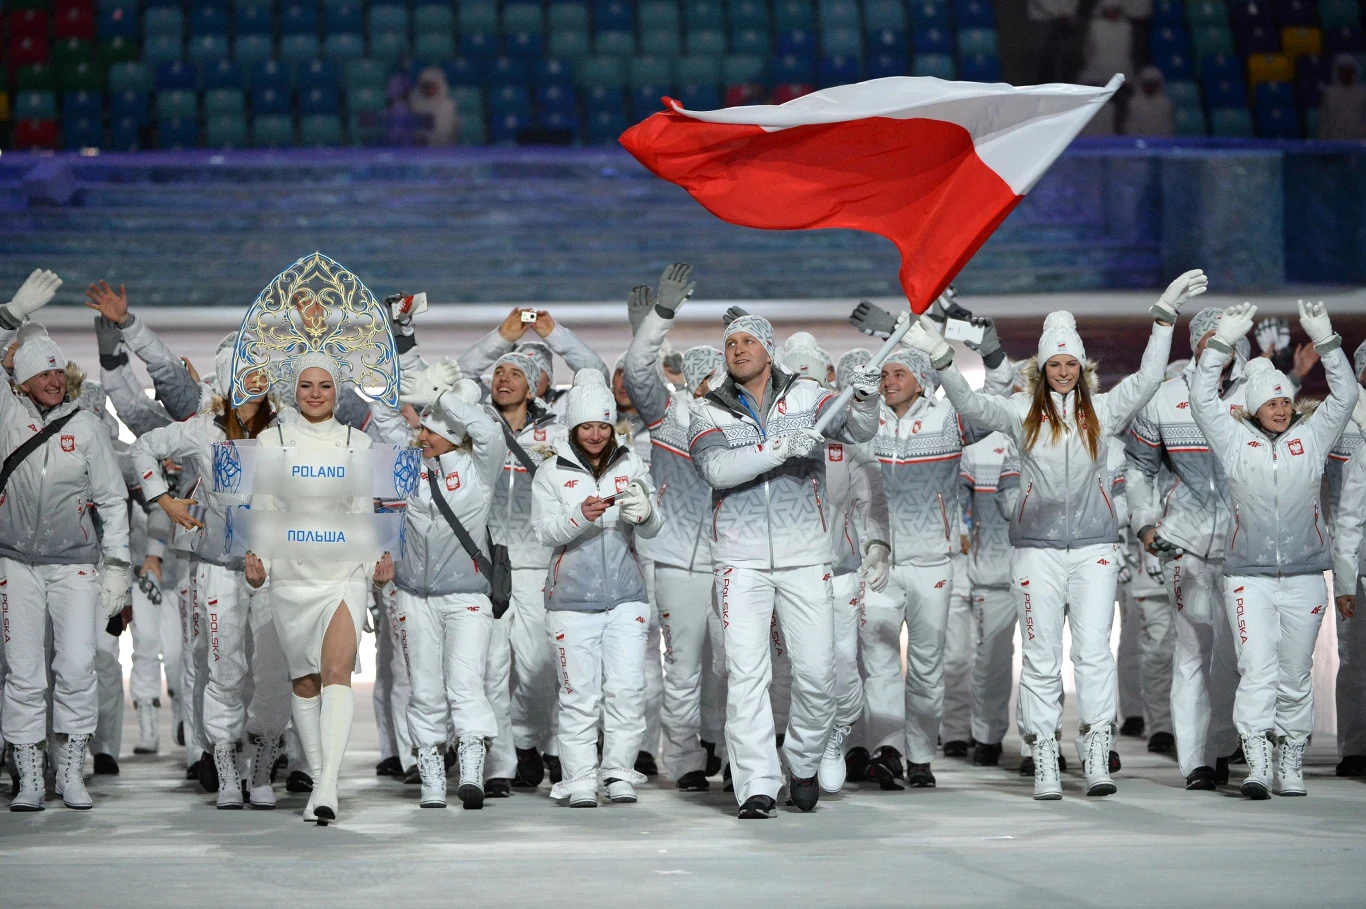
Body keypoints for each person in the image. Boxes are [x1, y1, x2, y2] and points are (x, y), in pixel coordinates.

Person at [903, 269, 1205, 798]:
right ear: (1041, 370)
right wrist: (944, 360)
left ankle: (1095, 755)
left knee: (1093, 654)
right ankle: (1043, 753)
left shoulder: (1102, 412)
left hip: (1094, 550)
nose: (1063, 372)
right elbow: (972, 407)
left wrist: (1163, 318)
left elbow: (1150, 377)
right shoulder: (1021, 414)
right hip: (1036, 552)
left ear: (1081, 367)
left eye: (1070, 363)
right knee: (1041, 657)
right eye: (1054, 365)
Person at [688, 313, 881, 818]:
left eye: (749, 341)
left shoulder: (809, 396)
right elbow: (716, 469)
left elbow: (859, 430)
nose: (739, 349)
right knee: (747, 675)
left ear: (769, 350)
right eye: (731, 342)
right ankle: (756, 783)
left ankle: (802, 760)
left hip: (804, 556)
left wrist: (865, 398)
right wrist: (776, 448)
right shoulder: (707, 410)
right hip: (739, 559)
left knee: (818, 675)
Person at [1192, 302, 1356, 799]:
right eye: (1272, 403)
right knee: (1257, 668)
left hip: (1306, 575)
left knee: (1295, 673)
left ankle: (1290, 757)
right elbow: (1202, 399)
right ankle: (1258, 760)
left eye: (1286, 401)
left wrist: (1325, 338)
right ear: (1254, 407)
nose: (1282, 409)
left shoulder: (1312, 436)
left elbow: (1345, 393)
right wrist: (1221, 344)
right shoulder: (1234, 442)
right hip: (1249, 578)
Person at [132, 349, 292, 809]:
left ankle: (261, 765)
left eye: (262, 371)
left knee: (273, 673)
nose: (256, 380)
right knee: (224, 669)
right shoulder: (202, 430)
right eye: (246, 372)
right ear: (227, 381)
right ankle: (225, 764)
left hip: (275, 570)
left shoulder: (287, 432)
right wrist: (163, 499)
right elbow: (145, 447)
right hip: (219, 567)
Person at [1, 268, 132, 811]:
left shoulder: (86, 426)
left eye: (57, 371)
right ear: (21, 381)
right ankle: (29, 776)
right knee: (24, 673)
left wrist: (119, 567)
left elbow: (111, 498)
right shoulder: (6, 417)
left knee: (77, 666)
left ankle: (72, 770)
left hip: (75, 566)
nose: (53, 379)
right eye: (41, 373)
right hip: (15, 565)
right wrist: (8, 317)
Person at [244, 355, 395, 824]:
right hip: (291, 573)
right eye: (307, 385)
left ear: (337, 392)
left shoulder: (360, 443)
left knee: (335, 672)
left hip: (342, 571)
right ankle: (320, 780)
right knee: (305, 681)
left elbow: (362, 508)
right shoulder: (271, 441)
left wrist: (376, 564)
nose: (315, 393)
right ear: (294, 390)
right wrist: (260, 566)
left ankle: (327, 786)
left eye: (324, 386)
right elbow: (265, 506)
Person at [1125, 306, 1247, 790]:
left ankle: (1225, 746)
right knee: (1193, 652)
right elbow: (1138, 467)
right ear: (1195, 344)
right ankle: (1197, 760)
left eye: (1230, 337)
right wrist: (1145, 524)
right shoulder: (1166, 399)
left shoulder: (1256, 392)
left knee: (1238, 657)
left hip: (1246, 546)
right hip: (1186, 545)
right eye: (1212, 337)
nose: (1221, 345)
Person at [624, 265, 732, 792]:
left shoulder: (744, 423)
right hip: (677, 562)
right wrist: (658, 318)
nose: (710, 381)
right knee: (684, 668)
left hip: (739, 558)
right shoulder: (668, 416)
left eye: (719, 373)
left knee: (738, 667)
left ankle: (735, 754)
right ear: (688, 379)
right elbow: (637, 370)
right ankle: (686, 758)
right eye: (701, 374)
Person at [532, 369, 662, 807]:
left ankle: (619, 772)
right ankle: (581, 777)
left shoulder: (632, 463)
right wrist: (579, 516)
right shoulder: (551, 471)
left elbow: (652, 526)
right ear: (572, 427)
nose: (594, 433)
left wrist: (645, 513)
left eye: (602, 425)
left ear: (612, 425)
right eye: (586, 425)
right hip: (570, 600)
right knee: (578, 695)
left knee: (627, 689)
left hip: (627, 596)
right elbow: (543, 531)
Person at [391, 360, 505, 810]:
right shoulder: (407, 466)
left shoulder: (479, 470)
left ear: (452, 435)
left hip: (468, 594)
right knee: (424, 688)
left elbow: (491, 433)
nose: (421, 436)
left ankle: (472, 768)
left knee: (466, 683)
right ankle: (432, 774)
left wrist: (441, 398)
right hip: (413, 594)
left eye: (430, 431)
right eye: (421, 430)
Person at [1318, 54, 1366, 142]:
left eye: (1349, 71)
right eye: (1343, 71)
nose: (1346, 74)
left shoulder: (1363, 93)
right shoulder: (1329, 93)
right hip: (1334, 143)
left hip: (1359, 143)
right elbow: (1324, 121)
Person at [408, 66, 458, 147]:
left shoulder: (449, 106)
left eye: (433, 87)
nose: (430, 90)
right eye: (427, 87)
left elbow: (452, 132)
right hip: (420, 151)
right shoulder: (415, 105)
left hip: (445, 150)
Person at [1126, 65, 1175, 137]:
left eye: (1153, 83)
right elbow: (1130, 129)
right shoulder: (1133, 104)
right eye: (1147, 83)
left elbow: (1168, 128)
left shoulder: (1166, 104)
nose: (1150, 86)